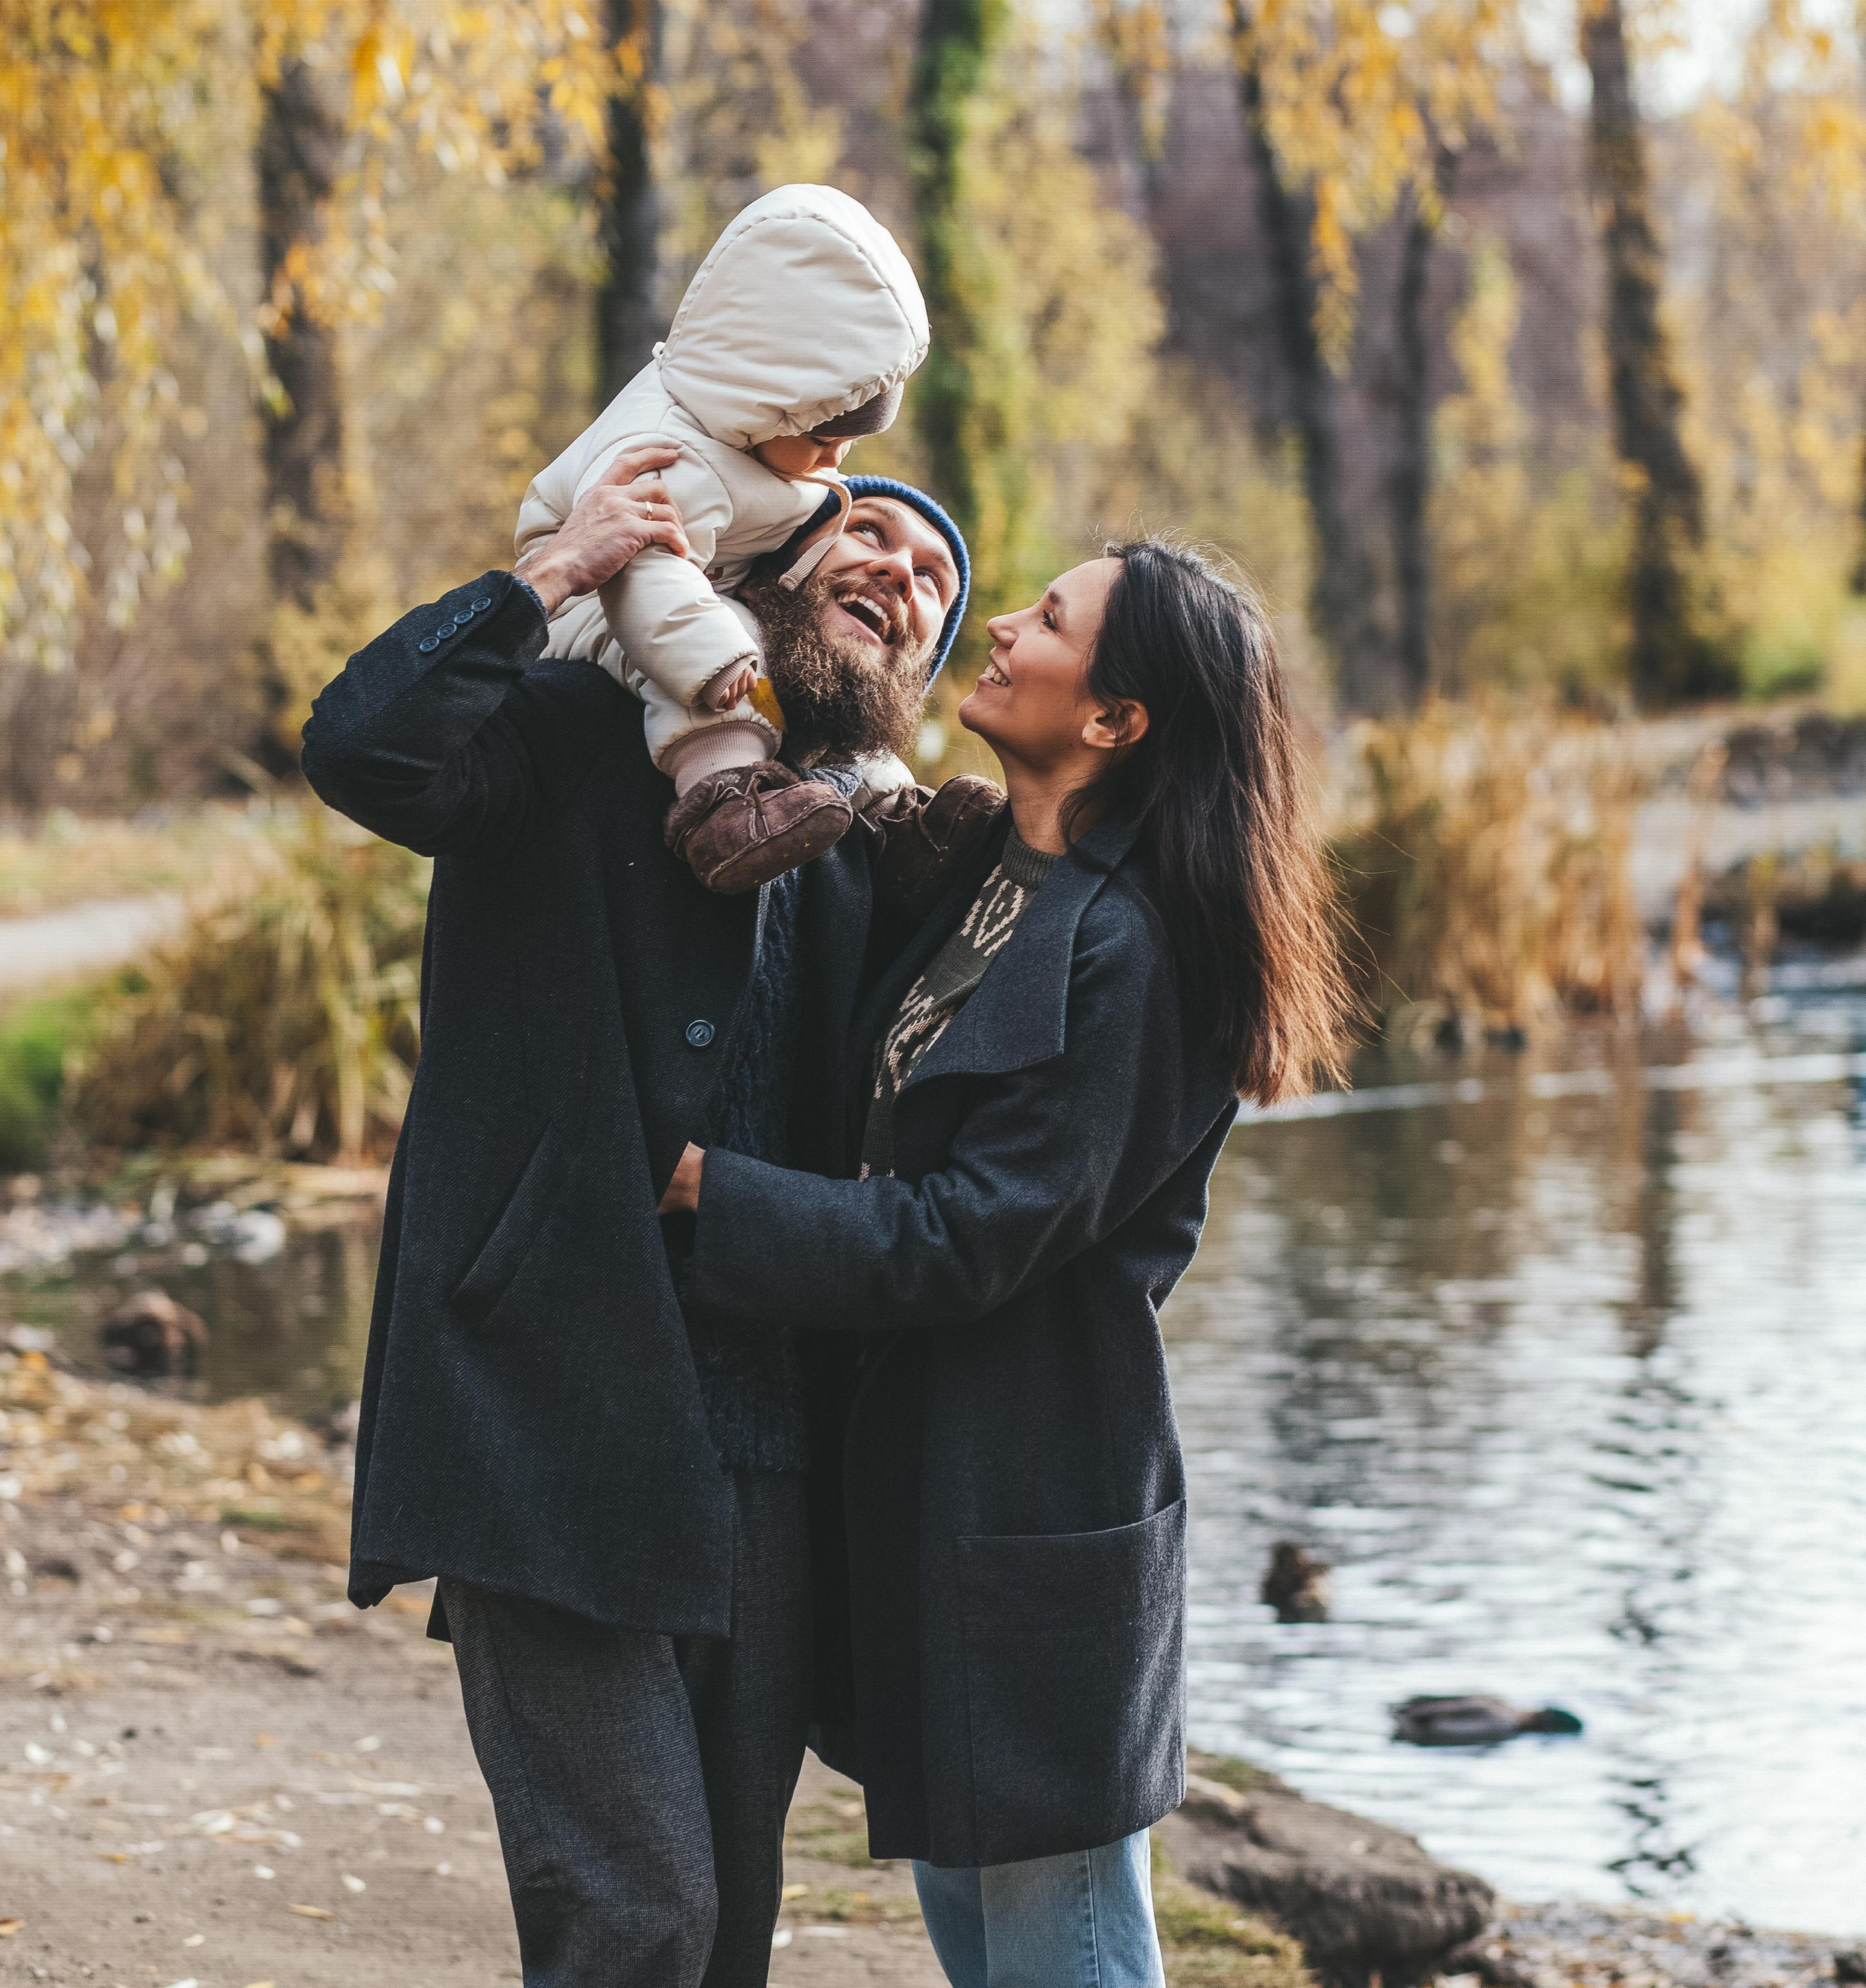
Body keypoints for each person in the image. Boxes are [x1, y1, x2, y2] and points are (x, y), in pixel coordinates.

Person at [299, 447, 974, 1988]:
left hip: (773, 1461)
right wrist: (547, 572)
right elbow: (362, 750)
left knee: (722, 1937)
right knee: (634, 1916)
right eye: (864, 537)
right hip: (539, 1418)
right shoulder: (573, 737)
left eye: (935, 585)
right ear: (759, 564)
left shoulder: (876, 857)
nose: (901, 575)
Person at [658, 539, 1351, 1988]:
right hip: (934, 1531)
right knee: (995, 1953)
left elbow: (964, 1236)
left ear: (1113, 720)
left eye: (1048, 621)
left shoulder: (1139, 950)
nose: (1009, 631)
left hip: (1033, 1532)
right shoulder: (999, 880)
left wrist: (716, 1196)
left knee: (1063, 1959)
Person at [516, 184, 931, 891]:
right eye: (823, 437)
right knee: (734, 658)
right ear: (769, 402)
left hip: (677, 588)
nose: (835, 462)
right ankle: (725, 810)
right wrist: (712, 656)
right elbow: (638, 564)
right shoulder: (672, 453)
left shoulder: (732, 427)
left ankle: (894, 814)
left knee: (797, 672)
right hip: (593, 599)